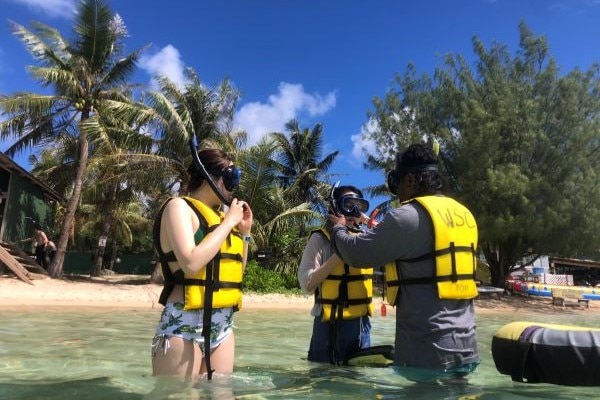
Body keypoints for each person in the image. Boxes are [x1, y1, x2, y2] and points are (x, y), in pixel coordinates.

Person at [329, 143, 480, 382]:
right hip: (467, 347)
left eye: (397, 183)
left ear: (410, 179)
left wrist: (338, 228)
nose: (397, 192)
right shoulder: (464, 214)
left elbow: (357, 253)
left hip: (428, 351)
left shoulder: (407, 216)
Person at [151, 148, 253, 379]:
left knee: (221, 393)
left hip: (222, 327)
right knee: (181, 395)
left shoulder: (223, 218)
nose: (234, 186)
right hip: (183, 324)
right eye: (230, 177)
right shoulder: (179, 207)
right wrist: (229, 223)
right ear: (209, 177)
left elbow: (237, 270)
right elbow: (190, 262)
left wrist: (245, 234)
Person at [298, 184, 373, 364]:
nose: (354, 211)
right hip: (328, 324)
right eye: (348, 204)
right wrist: (340, 252)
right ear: (334, 208)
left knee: (358, 378)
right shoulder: (320, 239)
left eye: (359, 206)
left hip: (361, 324)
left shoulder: (366, 239)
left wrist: (369, 224)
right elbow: (306, 284)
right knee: (324, 377)